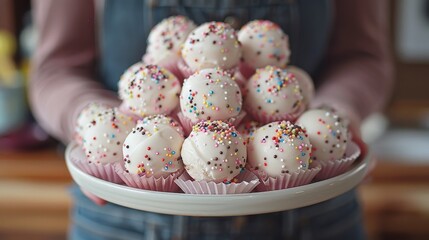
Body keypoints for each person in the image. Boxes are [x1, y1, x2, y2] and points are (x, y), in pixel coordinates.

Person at [30, 0, 393, 239]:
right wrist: (93, 124)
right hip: (125, 223)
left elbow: (364, 56)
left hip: (314, 216)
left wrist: (335, 117)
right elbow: (54, 69)